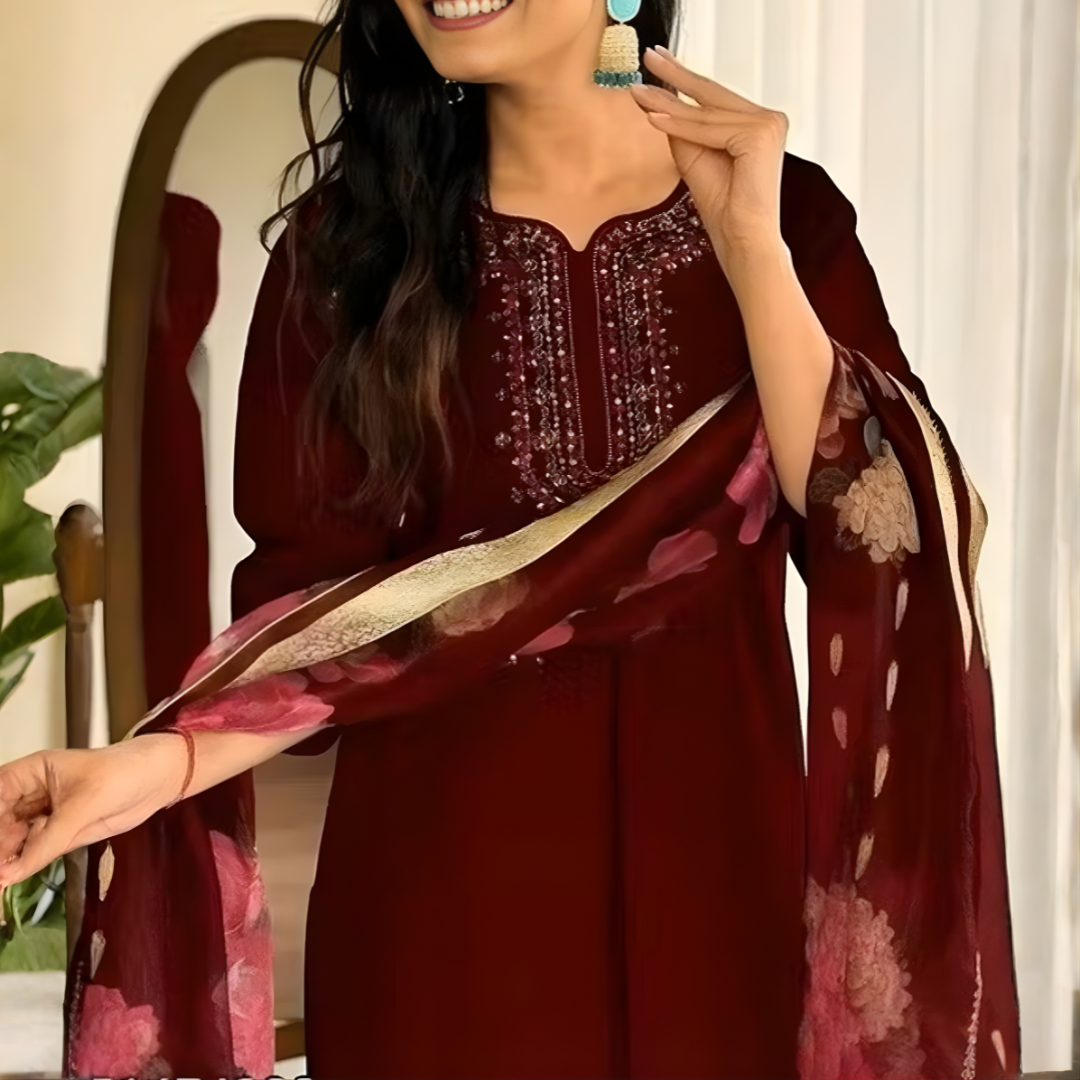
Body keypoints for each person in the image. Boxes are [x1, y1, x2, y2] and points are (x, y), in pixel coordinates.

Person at [0, 1, 1021, 1077]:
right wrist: (146, 767)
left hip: (722, 909)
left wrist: (750, 250)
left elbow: (886, 526)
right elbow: (314, 632)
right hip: (441, 933)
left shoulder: (787, 216)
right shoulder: (349, 253)